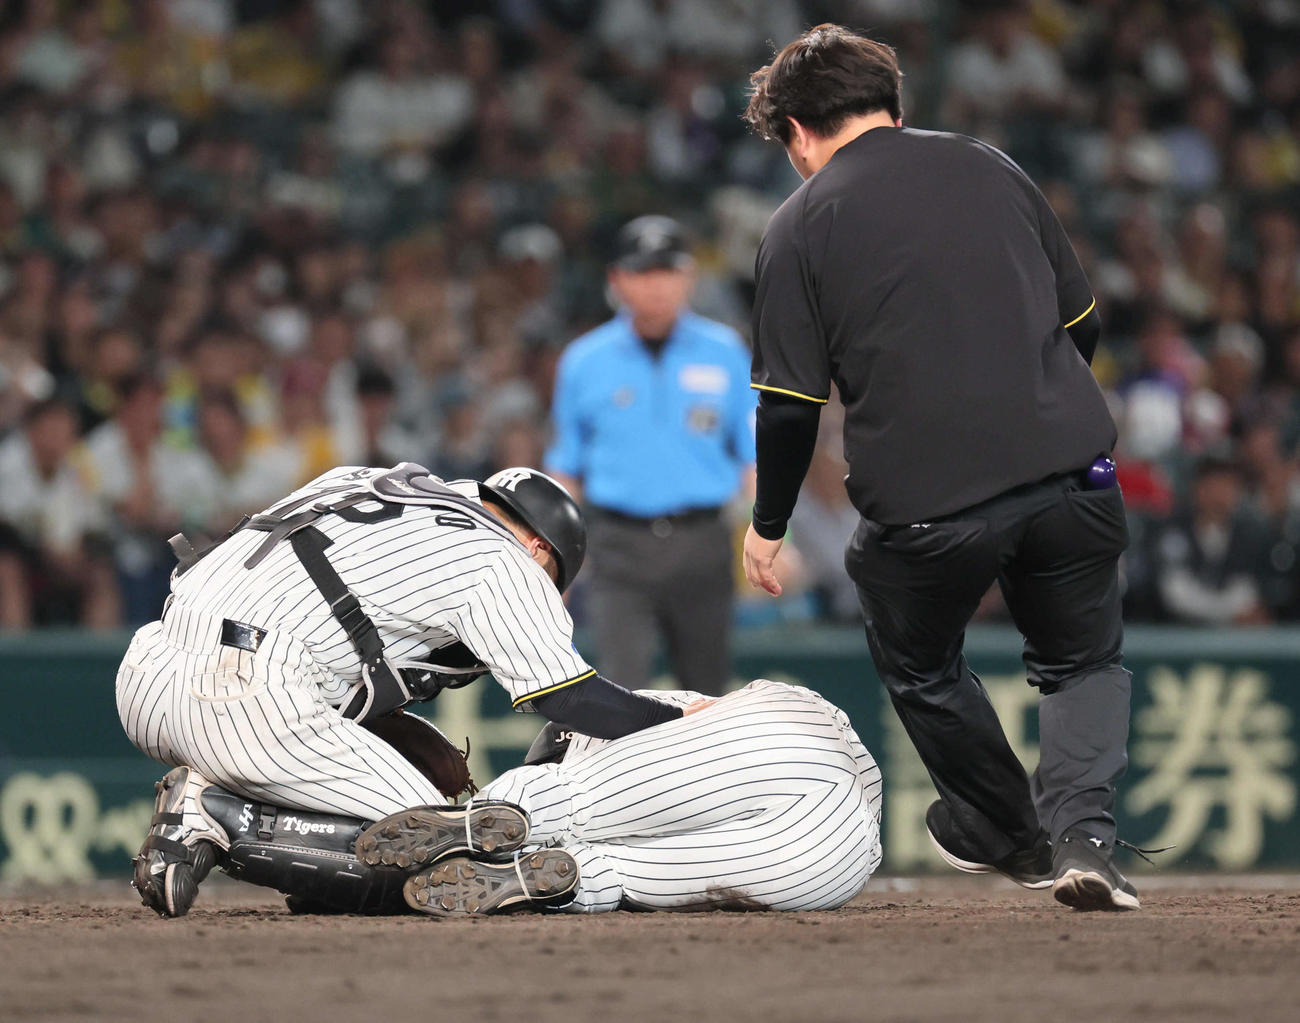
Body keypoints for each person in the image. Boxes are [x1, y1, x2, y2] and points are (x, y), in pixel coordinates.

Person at [740, 25, 1136, 911]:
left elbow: (790, 406)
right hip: (1072, 470)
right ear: (892, 104)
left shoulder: (798, 224)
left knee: (920, 662)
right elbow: (1082, 325)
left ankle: (1009, 833)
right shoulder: (991, 165)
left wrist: (768, 525)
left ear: (797, 131)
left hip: (928, 505)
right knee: (1082, 660)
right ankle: (1085, 838)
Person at [118, 462, 709, 918]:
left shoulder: (374, 483)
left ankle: (246, 829)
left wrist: (392, 729)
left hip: (148, 670)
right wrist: (680, 722)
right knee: (449, 855)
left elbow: (322, 621)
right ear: (539, 549)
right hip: (245, 696)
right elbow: (569, 698)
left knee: (416, 831)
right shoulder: (503, 558)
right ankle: (216, 813)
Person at [130, 680, 882, 917]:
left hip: (791, 758)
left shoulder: (604, 726)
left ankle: (531, 838)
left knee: (588, 829)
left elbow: (676, 719)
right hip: (844, 847)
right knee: (607, 856)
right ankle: (545, 859)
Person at [545, 215, 756, 696]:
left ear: (689, 276)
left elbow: (754, 457)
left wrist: (768, 535)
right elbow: (565, 468)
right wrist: (557, 562)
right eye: (642, 272)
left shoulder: (724, 351)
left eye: (668, 271)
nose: (656, 285)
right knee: (621, 692)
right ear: (616, 279)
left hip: (703, 541)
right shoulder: (584, 360)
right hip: (618, 545)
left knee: (708, 694)